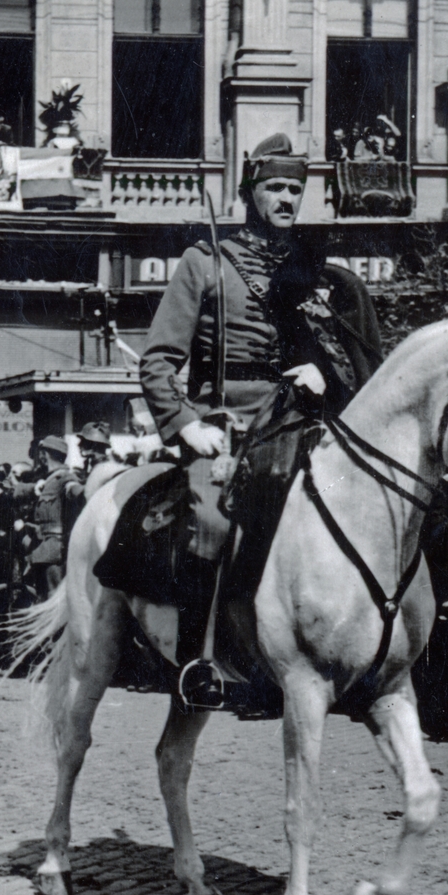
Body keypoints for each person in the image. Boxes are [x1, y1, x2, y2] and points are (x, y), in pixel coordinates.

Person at [134, 132, 382, 708]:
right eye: (275, 187)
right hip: (223, 422)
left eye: (295, 189)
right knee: (212, 521)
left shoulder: (313, 269)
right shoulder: (205, 262)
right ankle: (197, 662)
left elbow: (344, 352)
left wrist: (325, 374)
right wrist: (184, 423)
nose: (287, 198)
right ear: (251, 192)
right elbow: (157, 360)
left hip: (294, 417)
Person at [25, 436, 84, 597]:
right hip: (43, 550)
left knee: (55, 598)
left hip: (56, 552)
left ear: (44, 454)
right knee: (44, 598)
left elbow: (76, 491)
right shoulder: (49, 481)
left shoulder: (65, 478)